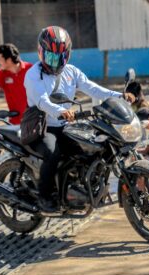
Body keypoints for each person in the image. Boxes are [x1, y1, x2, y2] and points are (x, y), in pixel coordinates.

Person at [24, 25, 124, 212]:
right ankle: (44, 197)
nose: (56, 62)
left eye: (60, 57)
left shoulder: (71, 72)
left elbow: (93, 88)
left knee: (93, 147)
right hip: (42, 126)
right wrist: (60, 111)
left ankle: (78, 189)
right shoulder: (33, 75)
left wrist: (119, 96)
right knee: (52, 153)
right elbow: (42, 101)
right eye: (51, 56)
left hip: (65, 125)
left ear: (67, 55)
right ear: (41, 53)